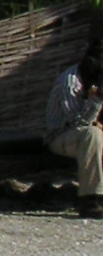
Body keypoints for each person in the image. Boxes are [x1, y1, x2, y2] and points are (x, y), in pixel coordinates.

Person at [44, 39, 103, 217]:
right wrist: (97, 100)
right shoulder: (70, 82)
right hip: (61, 136)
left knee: (95, 134)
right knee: (92, 134)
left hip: (90, 133)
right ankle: (91, 199)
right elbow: (78, 123)